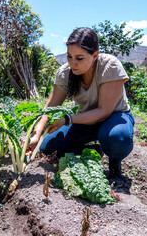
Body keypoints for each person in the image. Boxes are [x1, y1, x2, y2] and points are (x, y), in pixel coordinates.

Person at [27, 27, 135, 187]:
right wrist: (36, 135)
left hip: (114, 118)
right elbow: (49, 108)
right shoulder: (65, 73)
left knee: (117, 138)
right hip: (85, 119)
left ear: (95, 55)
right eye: (69, 56)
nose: (72, 63)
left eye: (79, 58)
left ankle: (114, 166)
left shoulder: (109, 66)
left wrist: (67, 119)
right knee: (47, 146)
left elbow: (104, 111)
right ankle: (94, 150)